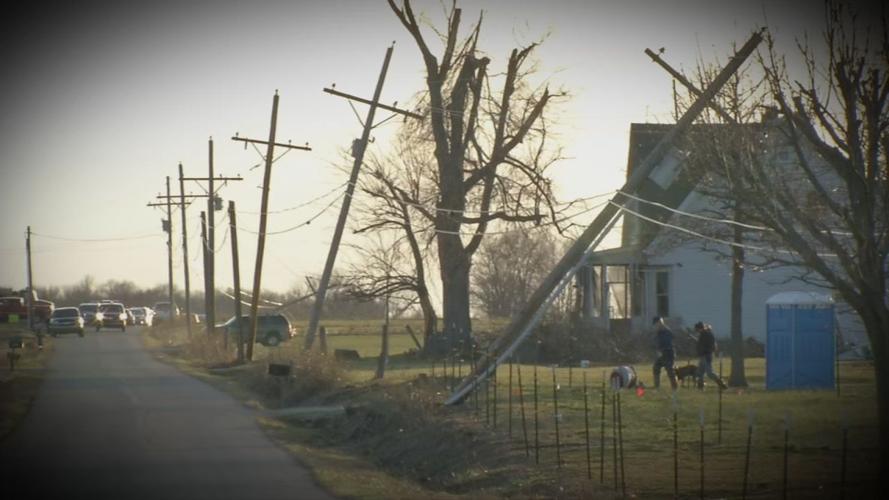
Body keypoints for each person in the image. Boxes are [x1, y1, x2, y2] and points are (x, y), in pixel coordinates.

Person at [694, 322, 728, 390]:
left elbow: (709, 346)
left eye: (697, 329)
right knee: (699, 373)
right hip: (703, 355)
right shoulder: (704, 334)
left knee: (709, 373)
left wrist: (703, 349)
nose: (696, 331)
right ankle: (700, 387)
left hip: (706, 355)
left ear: (700, 328)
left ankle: (721, 383)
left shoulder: (706, 334)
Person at [652, 316, 678, 390]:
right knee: (656, 368)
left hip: (668, 353)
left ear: (660, 323)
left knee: (670, 371)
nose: (655, 326)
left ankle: (674, 388)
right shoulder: (660, 332)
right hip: (663, 353)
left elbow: (666, 342)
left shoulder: (666, 331)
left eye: (656, 324)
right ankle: (657, 387)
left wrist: (660, 349)